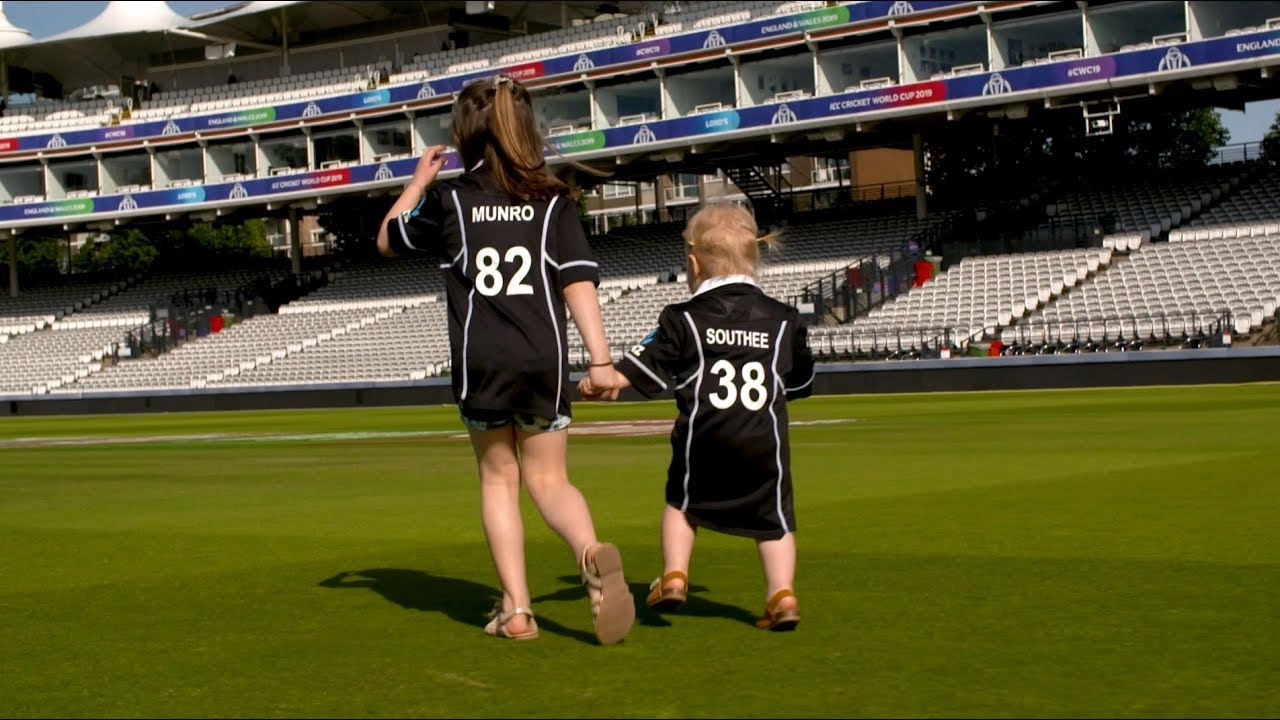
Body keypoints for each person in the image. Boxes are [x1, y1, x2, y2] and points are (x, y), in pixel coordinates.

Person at [375, 74, 634, 645]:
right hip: (542, 358)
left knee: (499, 479)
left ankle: (517, 611)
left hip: (481, 361)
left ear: (464, 133)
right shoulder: (554, 199)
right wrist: (599, 361)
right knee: (551, 480)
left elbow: (388, 239)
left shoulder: (451, 200)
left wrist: (418, 183)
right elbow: (578, 282)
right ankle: (590, 554)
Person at [579, 202, 815, 631]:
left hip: (702, 438)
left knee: (682, 505)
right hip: (764, 442)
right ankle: (782, 595)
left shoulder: (682, 318)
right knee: (773, 521)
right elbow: (798, 382)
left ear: (692, 263)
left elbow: (640, 366)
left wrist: (603, 380)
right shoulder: (785, 319)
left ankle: (674, 576)